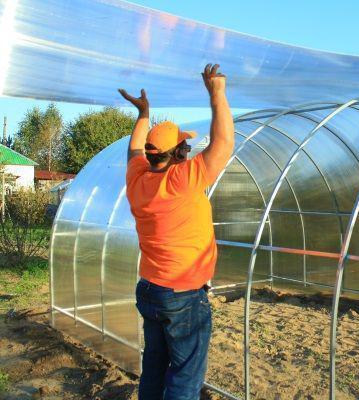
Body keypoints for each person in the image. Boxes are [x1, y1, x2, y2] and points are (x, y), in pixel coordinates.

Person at [120, 63, 234, 400]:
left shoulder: (138, 178)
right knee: (185, 378)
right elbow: (224, 143)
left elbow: (134, 151)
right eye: (185, 147)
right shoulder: (180, 180)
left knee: (154, 367)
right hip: (182, 296)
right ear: (176, 155)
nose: (189, 150)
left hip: (151, 290)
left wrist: (143, 115)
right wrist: (217, 93)